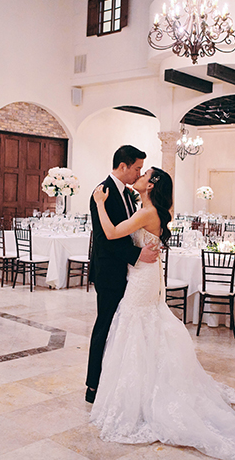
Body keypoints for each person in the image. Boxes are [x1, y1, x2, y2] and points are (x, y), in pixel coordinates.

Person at [89, 167, 235, 460]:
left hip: (142, 277)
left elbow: (112, 233)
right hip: (147, 273)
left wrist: (100, 203)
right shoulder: (155, 210)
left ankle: (143, 392)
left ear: (151, 184)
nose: (138, 176)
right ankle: (146, 382)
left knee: (135, 325)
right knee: (145, 326)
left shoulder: (147, 212)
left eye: (144, 173)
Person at [85, 145, 159, 404]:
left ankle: (113, 382)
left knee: (120, 328)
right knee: (104, 326)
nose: (139, 173)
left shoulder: (129, 194)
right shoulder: (102, 192)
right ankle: (92, 386)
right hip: (109, 271)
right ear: (123, 166)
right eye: (137, 168)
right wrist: (137, 256)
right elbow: (108, 239)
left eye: (142, 169)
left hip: (128, 273)